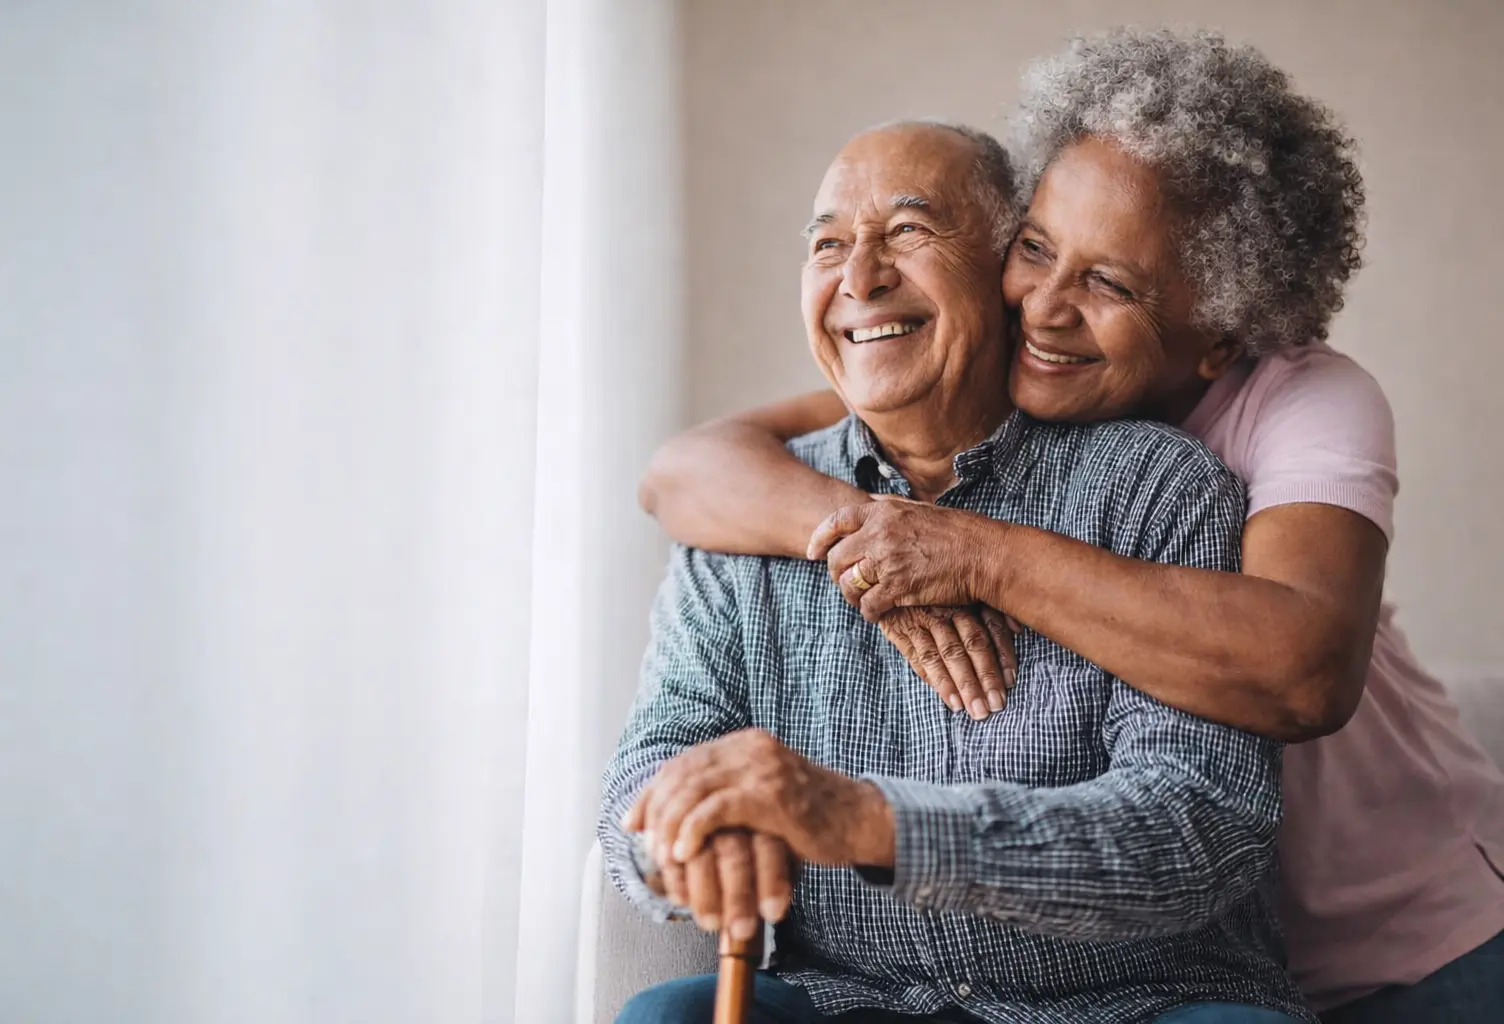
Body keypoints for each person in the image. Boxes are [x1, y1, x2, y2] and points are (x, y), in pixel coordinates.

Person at [638, 28, 1504, 1024]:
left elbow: (1302, 671)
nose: (1043, 310)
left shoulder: (1296, 408)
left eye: (1110, 284)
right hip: (1200, 943)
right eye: (1037, 250)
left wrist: (967, 554)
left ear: (1221, 334)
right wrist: (865, 535)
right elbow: (685, 469)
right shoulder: (995, 369)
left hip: (1410, 926)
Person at [601, 120, 1310, 1024]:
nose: (860, 278)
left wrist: (870, 822)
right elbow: (651, 760)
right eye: (827, 244)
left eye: (907, 231)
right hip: (855, 1000)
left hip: (1135, 1003)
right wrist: (684, 834)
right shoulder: (738, 514)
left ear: (1004, 270)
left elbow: (1194, 829)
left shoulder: (1159, 488)